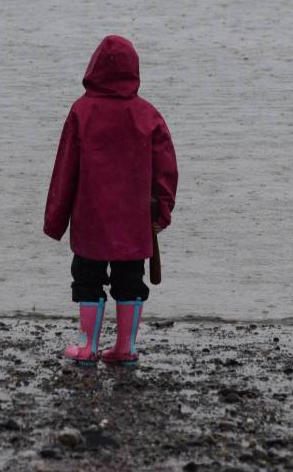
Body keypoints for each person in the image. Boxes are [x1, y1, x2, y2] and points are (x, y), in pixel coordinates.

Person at [43, 35, 178, 366]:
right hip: (135, 220)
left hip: (91, 217)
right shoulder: (148, 115)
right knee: (131, 280)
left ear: (94, 67)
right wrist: (163, 211)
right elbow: (166, 169)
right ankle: (126, 347)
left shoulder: (81, 111)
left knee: (87, 279)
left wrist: (56, 220)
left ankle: (87, 346)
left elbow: (65, 170)